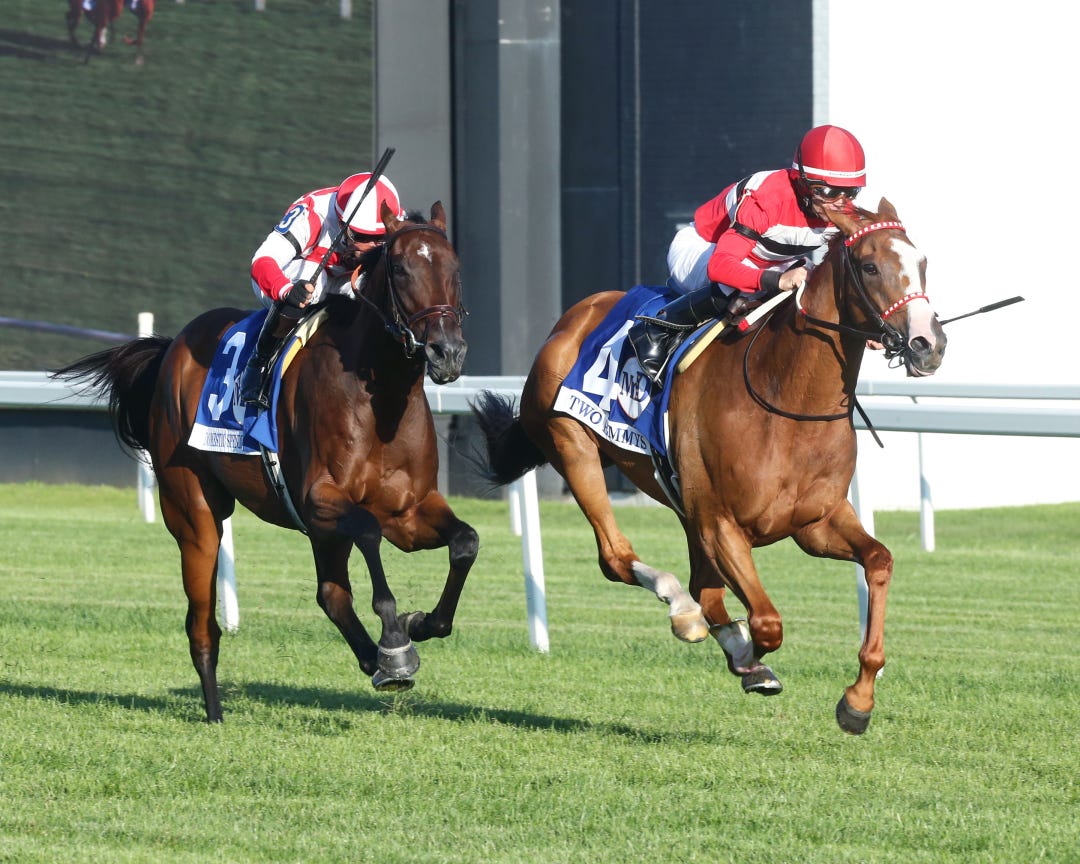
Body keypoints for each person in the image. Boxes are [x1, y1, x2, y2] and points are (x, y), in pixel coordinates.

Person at [628, 124, 866, 384]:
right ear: (802, 182)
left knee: (812, 279)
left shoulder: (842, 210)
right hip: (703, 248)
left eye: (850, 192)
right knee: (737, 285)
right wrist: (777, 280)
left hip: (765, 259)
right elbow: (720, 266)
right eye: (829, 191)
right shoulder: (765, 200)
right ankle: (657, 332)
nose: (841, 203)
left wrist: (864, 325)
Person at [239, 171, 405, 407]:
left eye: (380, 238)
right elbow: (262, 261)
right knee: (311, 280)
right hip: (294, 277)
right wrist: (286, 290)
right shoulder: (312, 213)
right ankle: (259, 364)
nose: (370, 247)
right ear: (342, 222)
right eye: (360, 236)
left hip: (347, 281)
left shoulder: (395, 219)